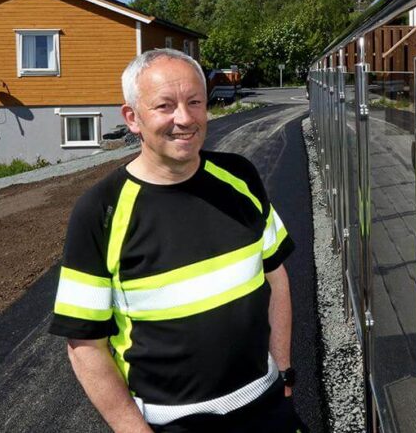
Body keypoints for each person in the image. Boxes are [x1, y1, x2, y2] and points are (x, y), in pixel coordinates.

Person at [49, 48, 303, 433]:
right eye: (165, 106)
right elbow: (85, 346)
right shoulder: (100, 211)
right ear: (132, 118)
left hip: (266, 406)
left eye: (194, 102)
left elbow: (276, 276)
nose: (184, 118)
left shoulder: (241, 176)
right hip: (171, 423)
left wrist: (284, 371)